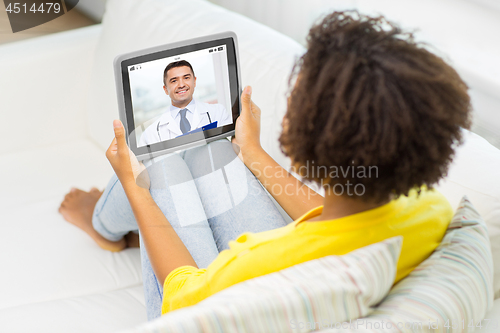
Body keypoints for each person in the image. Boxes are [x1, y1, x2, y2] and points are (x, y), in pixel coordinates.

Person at [59, 11, 471, 320]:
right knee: (213, 152)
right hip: (304, 258)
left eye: (297, 97)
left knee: (162, 170)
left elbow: (183, 297)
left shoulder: (259, 261)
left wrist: (136, 190)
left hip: (205, 307)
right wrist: (253, 152)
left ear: (306, 141)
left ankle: (103, 225)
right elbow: (338, 218)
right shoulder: (429, 209)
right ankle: (122, 223)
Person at [138, 60, 232, 146]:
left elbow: (230, 149)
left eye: (186, 78)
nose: (181, 85)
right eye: (174, 81)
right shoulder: (151, 133)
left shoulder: (218, 112)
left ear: (194, 82)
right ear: (165, 89)